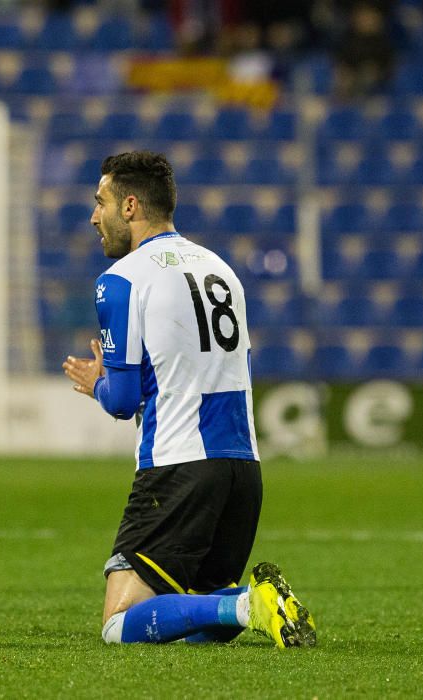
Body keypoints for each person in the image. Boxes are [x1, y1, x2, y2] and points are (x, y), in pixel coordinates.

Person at [61, 151, 316, 648]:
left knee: (119, 624)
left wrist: (98, 385)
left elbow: (123, 400)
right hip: (243, 469)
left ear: (130, 206)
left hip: (179, 467)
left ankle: (249, 603)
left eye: (102, 203)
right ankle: (254, 605)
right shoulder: (221, 269)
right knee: (191, 632)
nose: (95, 217)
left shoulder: (120, 280)